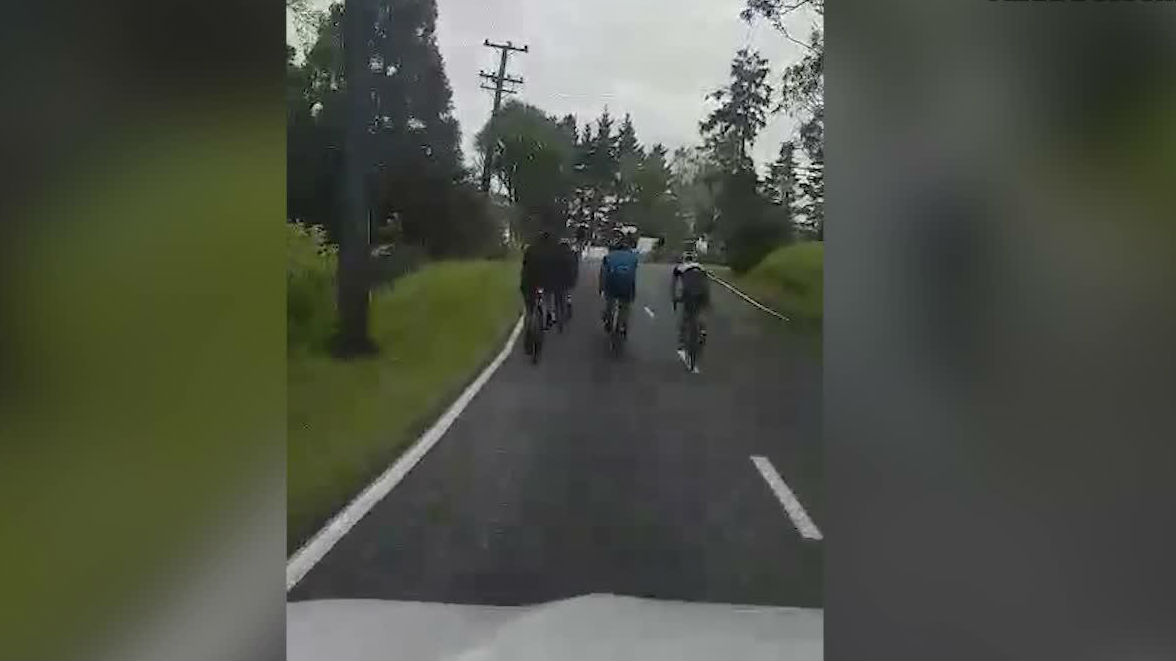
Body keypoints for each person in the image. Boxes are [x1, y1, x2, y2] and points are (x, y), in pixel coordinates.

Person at [599, 230, 639, 335]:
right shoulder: (633, 257)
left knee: (610, 301)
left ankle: (608, 317)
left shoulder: (609, 256)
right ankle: (622, 324)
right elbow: (633, 274)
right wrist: (633, 291)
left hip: (612, 281)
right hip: (626, 284)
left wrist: (601, 288)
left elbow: (603, 273)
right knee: (625, 305)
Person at [520, 229, 561, 330]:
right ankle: (549, 315)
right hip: (546, 281)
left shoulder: (530, 249)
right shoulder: (553, 251)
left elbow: (525, 264)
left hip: (530, 281)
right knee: (548, 297)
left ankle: (529, 317)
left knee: (529, 301)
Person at [671, 250, 710, 351]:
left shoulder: (680, 267)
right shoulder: (701, 267)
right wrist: (707, 299)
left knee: (686, 314)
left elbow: (674, 284)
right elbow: (706, 282)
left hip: (689, 291)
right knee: (700, 311)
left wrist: (674, 298)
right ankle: (702, 330)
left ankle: (682, 340)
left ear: (683, 259)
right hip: (703, 291)